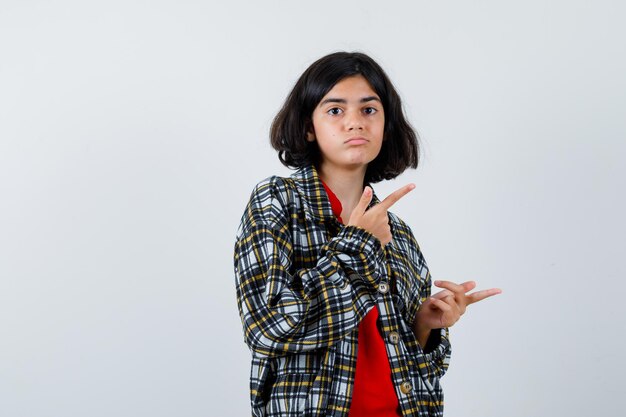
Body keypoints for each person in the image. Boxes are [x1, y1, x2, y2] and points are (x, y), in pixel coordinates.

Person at [233, 52, 501, 417]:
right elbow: (269, 329)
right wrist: (358, 244)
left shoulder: (399, 233)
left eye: (369, 110)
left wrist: (426, 327)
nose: (355, 123)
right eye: (335, 110)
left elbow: (426, 370)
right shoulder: (278, 201)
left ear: (386, 125)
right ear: (309, 127)